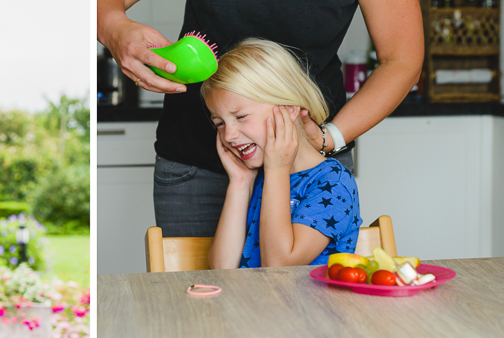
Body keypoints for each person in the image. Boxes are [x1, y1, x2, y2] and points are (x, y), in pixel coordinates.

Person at [97, 0, 422, 238]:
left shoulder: (327, 182)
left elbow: (401, 59)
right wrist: (114, 28)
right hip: (198, 163)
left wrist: (329, 137)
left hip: (307, 163)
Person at [204, 39, 360, 268]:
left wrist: (277, 169)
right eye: (219, 123)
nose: (228, 135)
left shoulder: (333, 183)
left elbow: (279, 268)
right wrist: (239, 183)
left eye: (240, 117)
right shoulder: (258, 178)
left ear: (288, 109)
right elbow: (221, 271)